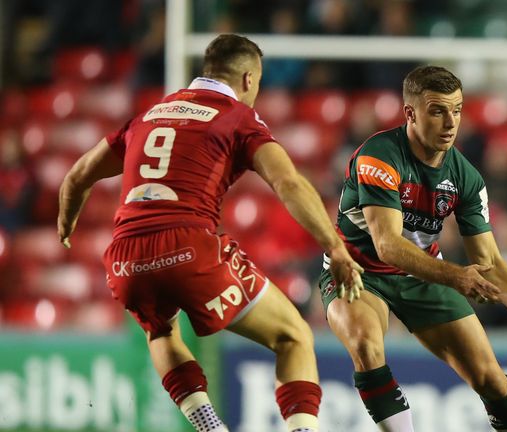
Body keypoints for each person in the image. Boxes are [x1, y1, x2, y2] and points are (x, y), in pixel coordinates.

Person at [57, 34, 364, 432]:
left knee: (160, 331)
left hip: (125, 257)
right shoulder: (237, 116)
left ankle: (209, 426)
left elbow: (77, 176)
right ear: (250, 80)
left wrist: (66, 226)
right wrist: (334, 248)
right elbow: (287, 182)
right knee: (293, 336)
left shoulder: (149, 115)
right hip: (188, 246)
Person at [317, 65, 507, 432]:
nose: (450, 122)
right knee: (366, 345)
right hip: (358, 271)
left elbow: (487, 259)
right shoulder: (378, 156)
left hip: (424, 274)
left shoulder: (466, 177)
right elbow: (387, 246)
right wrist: (458, 277)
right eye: (437, 110)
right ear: (410, 113)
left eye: (456, 110)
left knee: (491, 379)